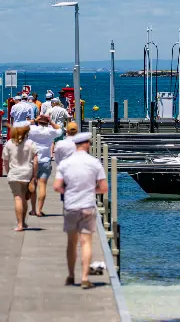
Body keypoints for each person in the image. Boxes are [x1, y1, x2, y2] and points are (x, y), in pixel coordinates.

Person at [54, 132, 108, 289]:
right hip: (87, 205)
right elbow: (104, 188)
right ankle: (84, 277)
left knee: (71, 243)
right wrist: (91, 190)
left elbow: (57, 186)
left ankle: (71, 275)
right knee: (86, 242)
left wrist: (70, 192)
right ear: (86, 144)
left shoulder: (65, 163)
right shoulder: (94, 162)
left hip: (71, 205)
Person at [3, 121, 38, 231]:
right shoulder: (30, 143)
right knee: (24, 199)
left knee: (18, 198)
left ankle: (19, 225)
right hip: (27, 173)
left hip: (14, 174)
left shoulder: (9, 143)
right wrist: (34, 176)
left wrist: (8, 172)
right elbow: (36, 161)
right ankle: (23, 222)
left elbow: (5, 160)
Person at [28, 114, 62, 217]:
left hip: (33, 161)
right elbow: (60, 130)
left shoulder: (32, 129)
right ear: (47, 123)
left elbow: (19, 126)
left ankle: (33, 209)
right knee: (42, 186)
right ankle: (39, 210)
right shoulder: (50, 131)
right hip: (45, 160)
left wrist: (34, 120)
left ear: (39, 121)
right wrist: (51, 122)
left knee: (33, 184)